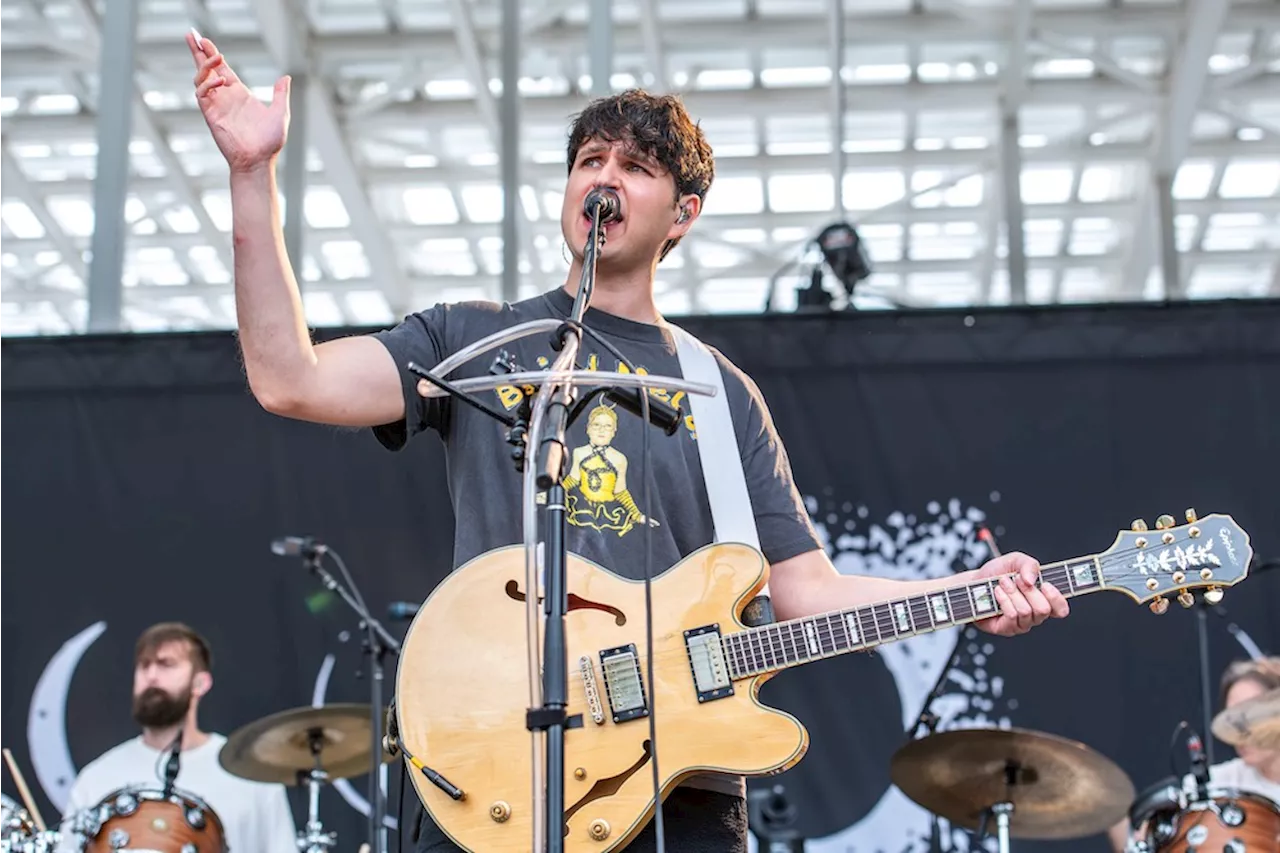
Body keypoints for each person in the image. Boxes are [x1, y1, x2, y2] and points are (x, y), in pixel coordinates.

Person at [185, 31, 1071, 853]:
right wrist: (252, 174)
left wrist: (964, 590)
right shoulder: (475, 338)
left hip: (674, 787)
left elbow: (804, 590)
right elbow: (287, 378)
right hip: (488, 758)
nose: (603, 178)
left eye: (636, 166)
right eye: (589, 160)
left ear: (682, 213)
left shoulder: (719, 394)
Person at [59, 623, 297, 852]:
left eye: (166, 664)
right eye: (144, 666)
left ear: (200, 683)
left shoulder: (251, 775)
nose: (151, 676)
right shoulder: (96, 779)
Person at [1106, 657, 1280, 852]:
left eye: (1252, 715)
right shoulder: (1220, 783)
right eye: (1233, 720)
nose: (1240, 732)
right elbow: (1144, 836)